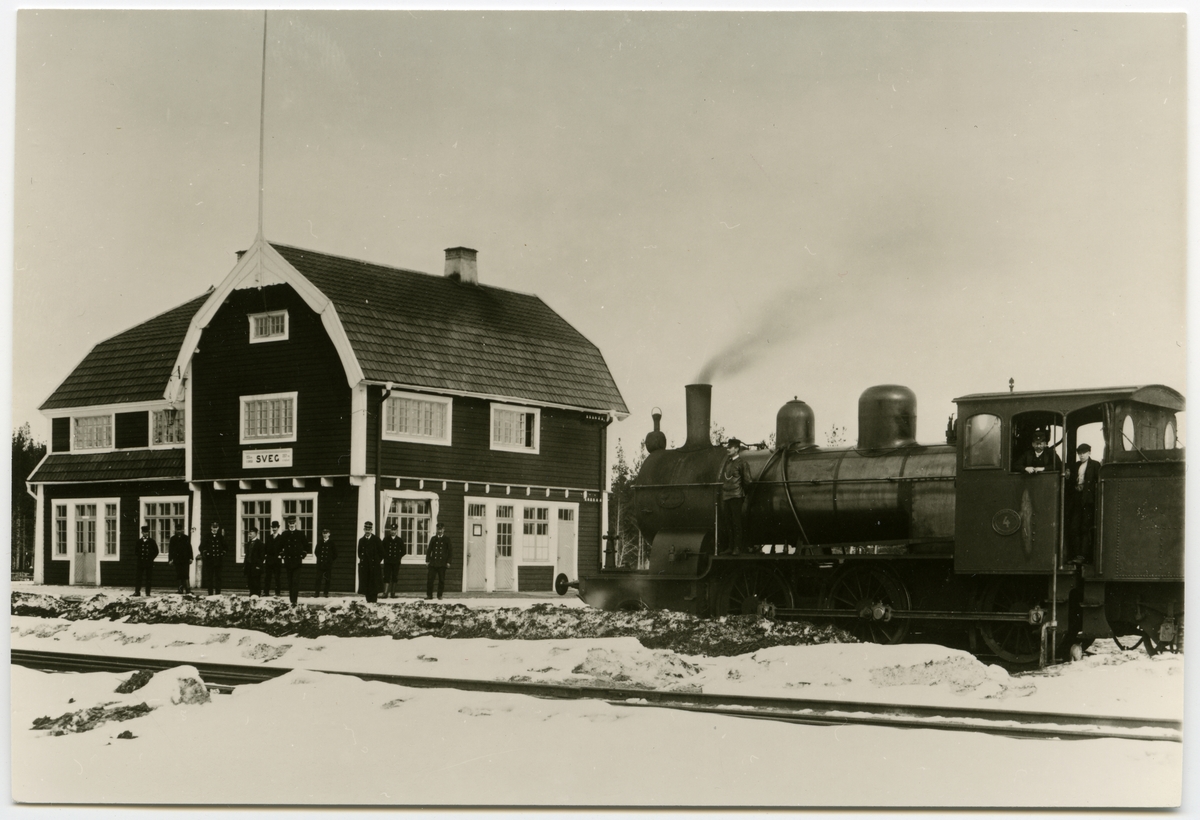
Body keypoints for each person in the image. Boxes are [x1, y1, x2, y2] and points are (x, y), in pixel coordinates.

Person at [1066, 443, 1101, 564]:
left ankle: (1082, 556)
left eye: (1084, 453)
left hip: (1089, 501)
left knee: (1085, 528)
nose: (1081, 456)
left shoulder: (1095, 465)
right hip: (1077, 499)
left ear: (1089, 453)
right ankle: (1076, 554)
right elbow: (1070, 481)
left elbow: (1098, 483)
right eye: (1079, 453)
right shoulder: (1075, 465)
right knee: (1074, 527)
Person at [720, 438, 753, 554]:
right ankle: (730, 547)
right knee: (728, 522)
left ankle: (738, 547)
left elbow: (748, 481)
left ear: (737, 449)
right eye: (728, 447)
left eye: (730, 447)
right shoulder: (728, 463)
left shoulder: (742, 463)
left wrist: (741, 494)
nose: (728, 449)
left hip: (736, 497)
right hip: (727, 496)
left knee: (736, 522)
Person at [277, 517, 311, 605]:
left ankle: (294, 601)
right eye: (290, 523)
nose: (291, 525)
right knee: (290, 581)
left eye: (293, 523)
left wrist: (302, 554)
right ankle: (291, 600)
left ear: (295, 523)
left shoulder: (300, 534)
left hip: (297, 561)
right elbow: (279, 546)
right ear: (288, 524)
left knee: (295, 581)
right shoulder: (285, 534)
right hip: (288, 561)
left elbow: (307, 546)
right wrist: (282, 554)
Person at [199, 520, 227, 595]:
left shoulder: (221, 537)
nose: (214, 529)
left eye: (216, 527)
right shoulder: (207, 536)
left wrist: (223, 553)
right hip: (209, 561)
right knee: (210, 578)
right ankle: (210, 593)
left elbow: (225, 547)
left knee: (218, 577)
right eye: (213, 527)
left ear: (218, 528)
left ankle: (218, 593)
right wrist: (205, 552)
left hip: (218, 561)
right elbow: (201, 547)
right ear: (211, 528)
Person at [357, 521, 383, 603]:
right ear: (364, 530)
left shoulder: (376, 540)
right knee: (366, 585)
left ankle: (374, 602)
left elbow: (382, 553)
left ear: (371, 530)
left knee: (374, 586)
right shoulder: (361, 540)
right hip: (365, 567)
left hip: (374, 567)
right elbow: (359, 553)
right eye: (366, 529)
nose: (367, 531)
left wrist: (376, 561)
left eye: (369, 530)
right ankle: (368, 602)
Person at [425, 523, 452, 600]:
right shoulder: (433, 539)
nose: (439, 531)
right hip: (433, 563)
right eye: (438, 529)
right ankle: (429, 595)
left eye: (441, 529)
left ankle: (439, 595)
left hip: (442, 563)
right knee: (430, 579)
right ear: (436, 530)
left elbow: (450, 552)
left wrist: (448, 562)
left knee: (441, 580)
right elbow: (429, 550)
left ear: (444, 529)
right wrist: (427, 561)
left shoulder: (447, 539)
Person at [381, 522, 408, 599]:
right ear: (390, 530)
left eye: (394, 530)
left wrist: (398, 557)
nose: (393, 531)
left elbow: (403, 551)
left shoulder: (399, 540)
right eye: (392, 530)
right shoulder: (386, 539)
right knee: (386, 576)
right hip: (387, 562)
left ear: (397, 531)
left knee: (394, 576)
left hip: (396, 562)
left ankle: (393, 593)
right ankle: (385, 593)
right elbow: (382, 550)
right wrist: (385, 557)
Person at [134, 525, 158, 597]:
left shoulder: (152, 541)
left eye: (147, 532)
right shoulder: (139, 542)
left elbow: (156, 551)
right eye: (144, 532)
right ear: (142, 532)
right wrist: (140, 557)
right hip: (141, 562)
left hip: (149, 563)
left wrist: (151, 558)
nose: (146, 533)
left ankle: (148, 592)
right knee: (139, 577)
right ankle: (137, 592)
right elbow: (136, 552)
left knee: (148, 578)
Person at [168, 527, 194, 594]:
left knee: (186, 574)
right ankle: (180, 589)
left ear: (182, 530)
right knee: (179, 574)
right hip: (177, 559)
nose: (179, 531)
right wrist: (170, 559)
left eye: (180, 530)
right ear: (175, 530)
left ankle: (188, 589)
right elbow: (170, 550)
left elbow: (189, 548)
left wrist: (191, 558)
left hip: (185, 559)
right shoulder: (173, 539)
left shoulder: (186, 538)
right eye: (177, 530)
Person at [314, 527, 337, 597]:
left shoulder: (332, 543)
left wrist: (330, 560)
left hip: (328, 564)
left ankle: (326, 593)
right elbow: (316, 552)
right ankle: (317, 593)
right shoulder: (320, 542)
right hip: (320, 564)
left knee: (328, 579)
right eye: (324, 533)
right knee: (318, 578)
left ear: (329, 534)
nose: (325, 535)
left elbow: (335, 554)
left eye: (326, 533)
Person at [243, 526, 266, 597]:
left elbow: (262, 557)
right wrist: (245, 565)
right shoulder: (248, 543)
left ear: (256, 534)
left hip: (256, 567)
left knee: (256, 582)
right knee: (250, 582)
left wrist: (258, 566)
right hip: (249, 566)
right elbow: (247, 555)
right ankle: (251, 595)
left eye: (251, 533)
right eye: (249, 534)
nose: (249, 535)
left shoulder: (260, 544)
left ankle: (257, 596)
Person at [263, 521, 283, 596]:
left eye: (275, 527)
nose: (274, 529)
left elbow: (283, 549)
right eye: (273, 527)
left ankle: (277, 592)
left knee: (277, 577)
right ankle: (266, 592)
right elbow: (265, 548)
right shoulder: (268, 538)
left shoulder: (281, 538)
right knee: (267, 577)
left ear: (278, 528)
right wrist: (265, 556)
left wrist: (281, 555)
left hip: (277, 560)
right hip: (269, 560)